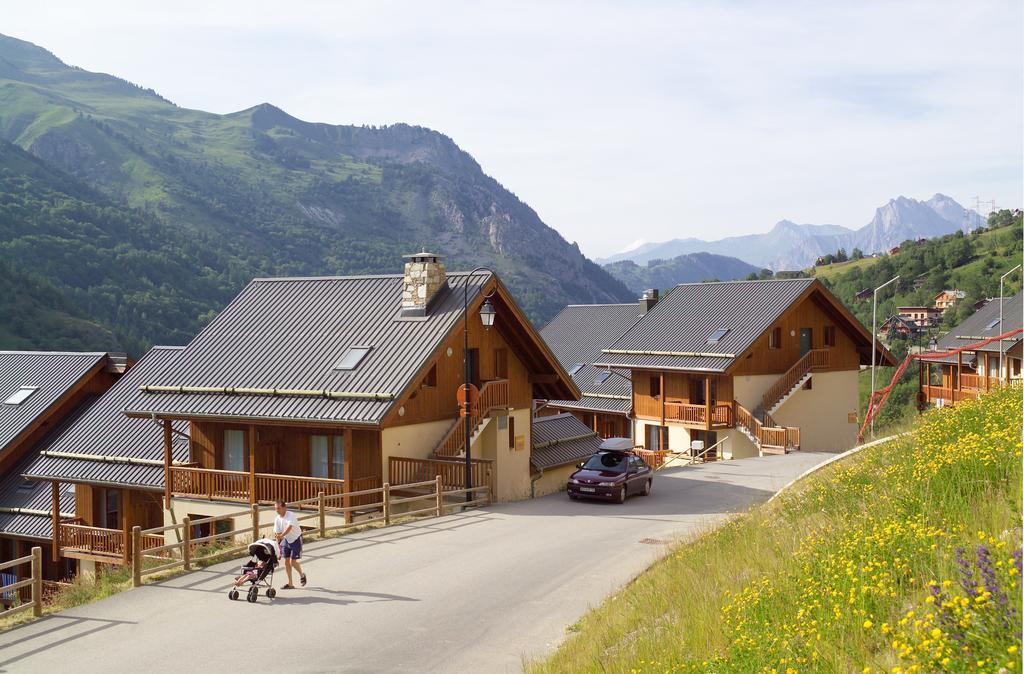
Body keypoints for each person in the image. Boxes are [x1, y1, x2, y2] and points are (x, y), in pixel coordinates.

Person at [273, 500, 307, 589]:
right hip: (286, 540)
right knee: (287, 562)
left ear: (284, 508)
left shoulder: (290, 515)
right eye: (276, 509)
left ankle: (302, 575)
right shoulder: (277, 519)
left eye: (278, 508)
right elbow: (277, 534)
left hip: (296, 539)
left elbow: (289, 527)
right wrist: (278, 549)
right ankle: (290, 583)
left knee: (292, 562)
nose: (277, 510)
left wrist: (281, 536)